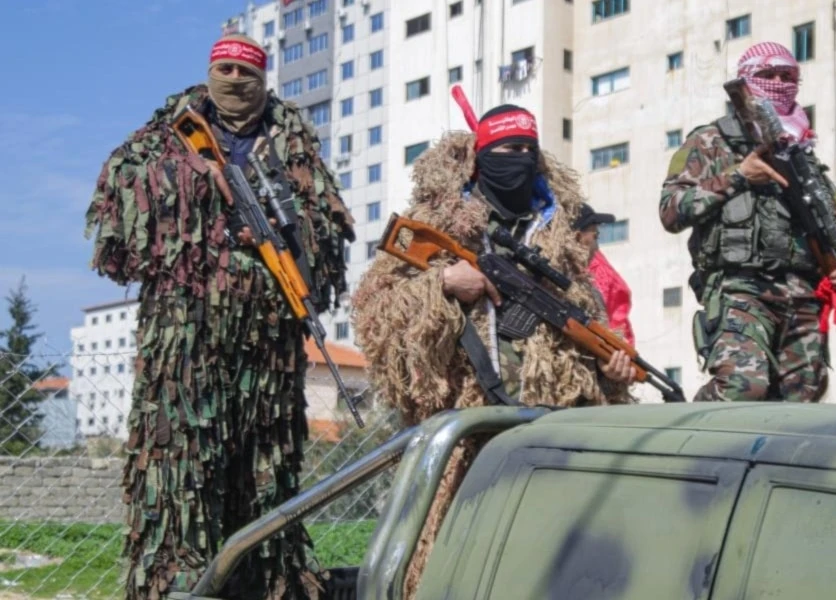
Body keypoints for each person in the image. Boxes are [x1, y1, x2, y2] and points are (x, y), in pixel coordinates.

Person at [84, 34, 355, 600]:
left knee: (264, 475)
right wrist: (198, 188)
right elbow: (115, 214)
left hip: (267, 348)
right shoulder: (167, 137)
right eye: (224, 69)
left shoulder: (290, 144)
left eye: (246, 72)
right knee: (179, 474)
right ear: (209, 73)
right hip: (183, 347)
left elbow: (326, 234)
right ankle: (174, 585)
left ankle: (262, 583)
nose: (234, 80)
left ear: (264, 81)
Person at [351, 103, 635, 597]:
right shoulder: (436, 225)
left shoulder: (557, 239)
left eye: (529, 149)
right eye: (508, 149)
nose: (520, 159)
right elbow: (375, 317)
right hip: (462, 436)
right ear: (481, 159)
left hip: (547, 438)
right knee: (454, 567)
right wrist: (441, 282)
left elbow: (583, 331)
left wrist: (613, 370)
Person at [659, 41, 836, 404]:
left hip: (803, 294)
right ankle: (688, 427)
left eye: (787, 76)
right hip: (740, 288)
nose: (778, 82)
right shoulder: (710, 141)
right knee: (742, 387)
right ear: (745, 80)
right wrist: (737, 176)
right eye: (767, 75)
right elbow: (671, 211)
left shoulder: (801, 153)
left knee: (802, 403)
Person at [573, 203, 635, 345]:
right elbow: (616, 326)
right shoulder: (598, 274)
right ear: (578, 237)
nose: (597, 245)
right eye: (596, 235)